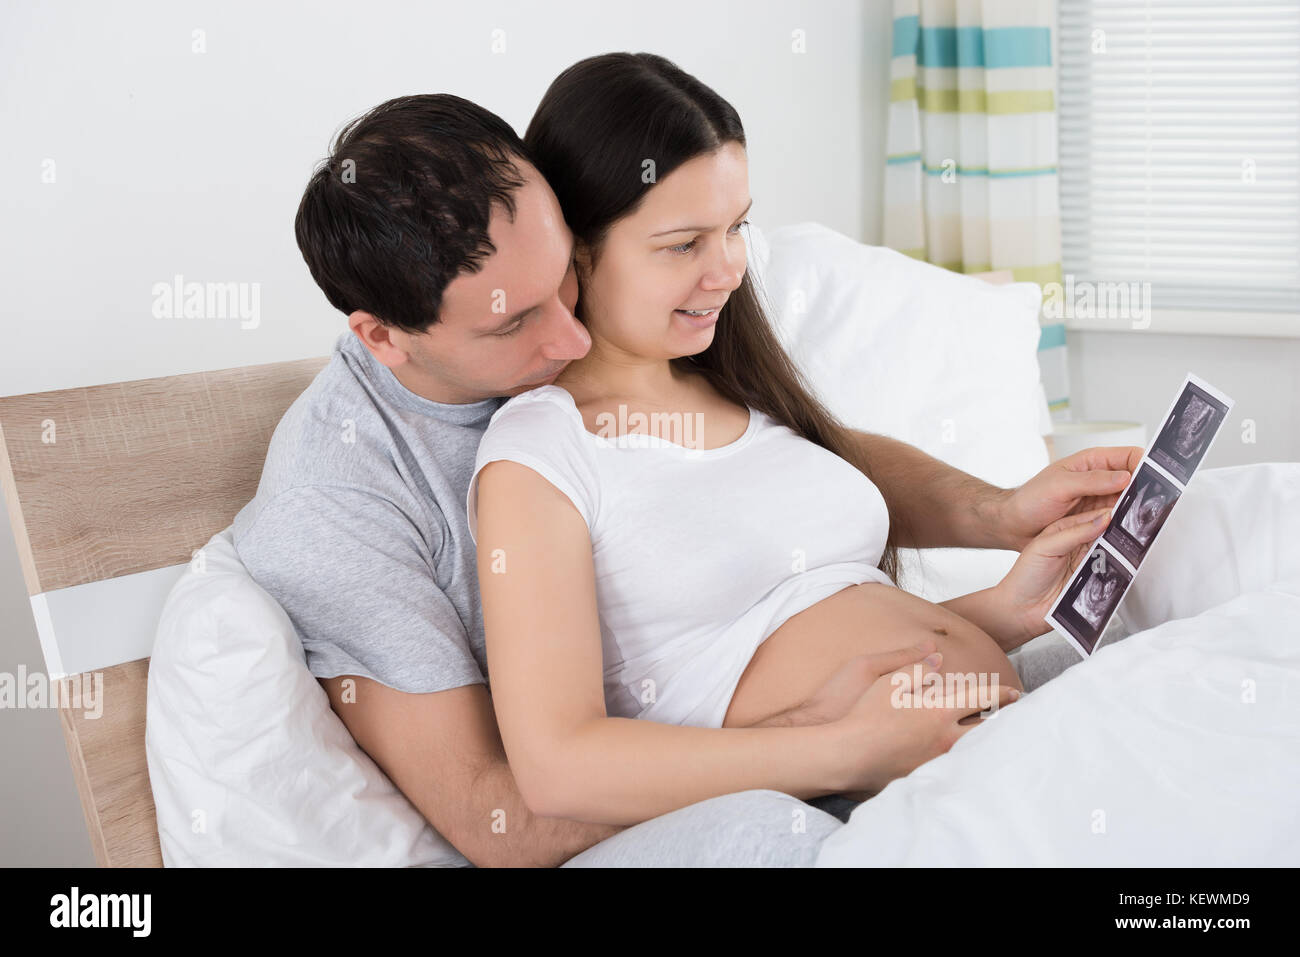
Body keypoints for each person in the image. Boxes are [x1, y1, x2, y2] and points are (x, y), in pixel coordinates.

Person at [232, 86, 1140, 866]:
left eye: (567, 279)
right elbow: (500, 812)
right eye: (515, 327)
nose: (574, 339)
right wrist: (829, 742)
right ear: (382, 336)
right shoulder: (346, 501)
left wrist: (997, 533)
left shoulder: (638, 326)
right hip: (728, 805)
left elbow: (775, 475)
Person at [468, 53, 1137, 827]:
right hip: (862, 803)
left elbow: (827, 646)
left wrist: (1003, 609)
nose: (727, 269)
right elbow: (559, 767)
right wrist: (848, 749)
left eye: (736, 227)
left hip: (984, 748)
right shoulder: (542, 453)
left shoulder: (738, 388)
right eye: (683, 244)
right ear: (575, 248)